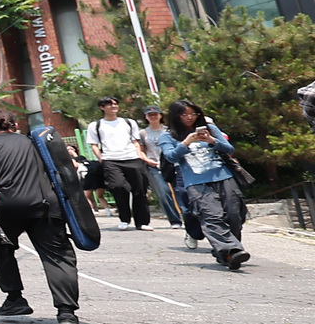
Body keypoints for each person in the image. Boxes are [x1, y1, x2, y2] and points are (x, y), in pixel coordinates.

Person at [0, 108, 82, 324]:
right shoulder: (36, 143)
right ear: (13, 126)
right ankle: (67, 313)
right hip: (46, 205)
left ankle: (15, 298)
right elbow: (68, 166)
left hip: (8, 207)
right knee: (58, 257)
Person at [159, 100, 251, 270]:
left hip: (223, 176)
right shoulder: (167, 136)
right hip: (196, 182)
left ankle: (225, 252)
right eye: (184, 114)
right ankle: (232, 250)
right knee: (212, 217)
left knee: (234, 215)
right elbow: (171, 157)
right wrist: (186, 142)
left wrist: (211, 140)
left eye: (193, 114)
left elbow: (229, 149)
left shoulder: (209, 128)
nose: (189, 118)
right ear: (175, 116)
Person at [86, 97, 157, 231]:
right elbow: (94, 145)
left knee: (140, 190)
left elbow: (135, 141)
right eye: (109, 104)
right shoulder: (95, 125)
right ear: (102, 107)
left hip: (132, 158)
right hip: (111, 160)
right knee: (118, 187)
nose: (113, 106)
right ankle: (124, 219)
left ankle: (142, 222)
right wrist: (102, 158)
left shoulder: (129, 122)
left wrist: (138, 155)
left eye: (115, 104)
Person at [140, 104, 184, 228]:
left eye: (155, 114)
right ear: (146, 117)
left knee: (181, 191)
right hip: (154, 165)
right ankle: (175, 220)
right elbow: (141, 150)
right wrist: (147, 160)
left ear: (161, 115)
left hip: (173, 164)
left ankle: (188, 217)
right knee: (163, 193)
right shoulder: (143, 133)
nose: (153, 117)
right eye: (150, 115)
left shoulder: (169, 130)